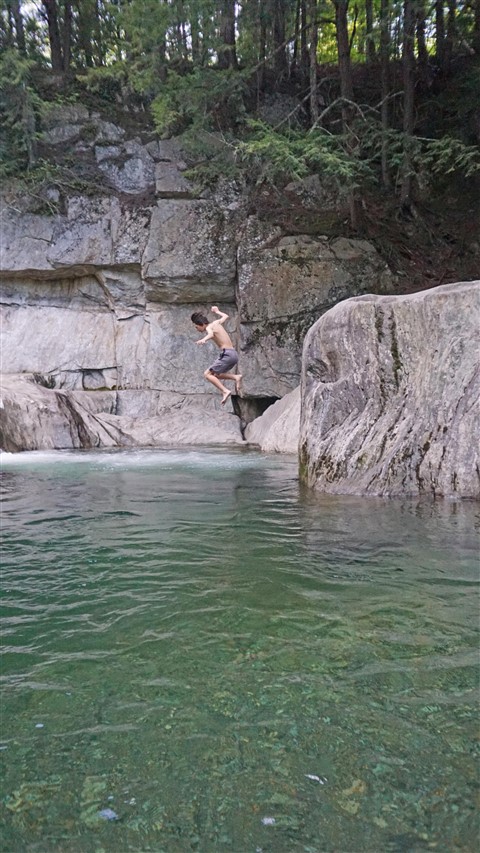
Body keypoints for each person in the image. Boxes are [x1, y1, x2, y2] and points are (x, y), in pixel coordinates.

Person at [191, 306, 242, 405]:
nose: (197, 329)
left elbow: (210, 334)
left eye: (197, 327)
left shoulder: (209, 327)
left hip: (227, 354)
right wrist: (217, 311)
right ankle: (236, 377)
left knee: (207, 374)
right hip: (233, 354)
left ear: (201, 324)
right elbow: (225, 316)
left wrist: (204, 339)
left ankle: (225, 391)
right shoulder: (216, 323)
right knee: (214, 375)